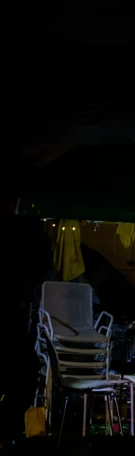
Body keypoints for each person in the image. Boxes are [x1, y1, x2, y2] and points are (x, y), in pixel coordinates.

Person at [0, 176, 55, 442]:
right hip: (11, 311)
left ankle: (6, 432)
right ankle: (5, 432)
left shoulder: (20, 229)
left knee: (23, 371)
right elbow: (43, 261)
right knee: (24, 371)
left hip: (14, 309)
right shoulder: (20, 230)